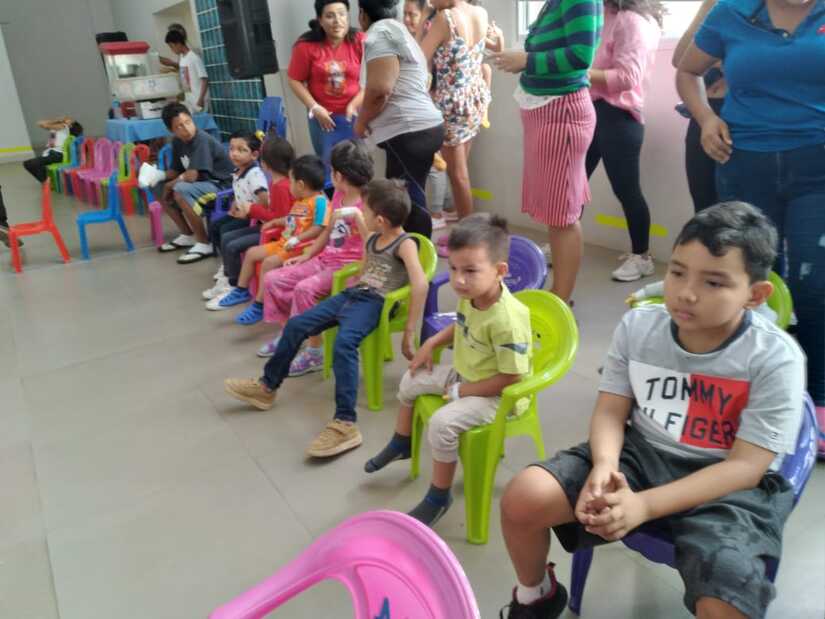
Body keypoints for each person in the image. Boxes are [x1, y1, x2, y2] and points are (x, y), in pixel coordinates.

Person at [498, 202, 805, 619]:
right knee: (523, 499)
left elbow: (746, 467)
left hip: (727, 486)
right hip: (640, 455)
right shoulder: (639, 327)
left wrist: (644, 505)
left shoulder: (775, 357)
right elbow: (611, 410)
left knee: (726, 599)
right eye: (677, 272)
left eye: (714, 282)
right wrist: (605, 465)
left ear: (755, 295)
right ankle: (536, 595)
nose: (686, 292)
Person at [676, 0, 825, 452]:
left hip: (817, 166)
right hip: (743, 163)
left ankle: (818, 396)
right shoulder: (732, 11)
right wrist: (706, 117)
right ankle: (747, 389)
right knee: (749, 284)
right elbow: (687, 70)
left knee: (815, 284)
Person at [224, 179, 429, 458]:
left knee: (344, 344)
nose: (362, 212)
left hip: (378, 302)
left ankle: (345, 423)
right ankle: (266, 387)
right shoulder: (373, 236)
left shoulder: (405, 244)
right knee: (297, 324)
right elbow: (365, 244)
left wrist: (409, 333)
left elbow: (420, 284)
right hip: (355, 293)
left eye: (365, 210)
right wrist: (355, 216)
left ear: (380, 219)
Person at [365, 213, 532, 527]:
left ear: (500, 271)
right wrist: (431, 344)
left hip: (500, 396)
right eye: (453, 268)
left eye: (470, 271)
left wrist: (462, 391)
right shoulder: (473, 296)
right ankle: (402, 442)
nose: (458, 280)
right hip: (468, 374)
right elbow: (461, 325)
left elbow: (513, 377)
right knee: (410, 379)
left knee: (441, 424)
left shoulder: (507, 321)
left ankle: (439, 497)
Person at [491, 0, 603, 305]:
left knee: (563, 215)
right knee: (557, 213)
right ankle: (559, 295)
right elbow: (546, 48)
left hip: (561, 114)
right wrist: (513, 54)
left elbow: (580, 56)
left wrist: (527, 60)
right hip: (547, 111)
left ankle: (560, 299)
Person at [257, 140, 374, 377]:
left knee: (304, 289)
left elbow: (374, 243)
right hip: (325, 259)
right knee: (273, 279)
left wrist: (358, 217)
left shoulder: (370, 203)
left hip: (350, 269)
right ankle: (291, 332)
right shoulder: (338, 195)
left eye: (332, 171)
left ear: (338, 175)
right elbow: (328, 230)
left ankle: (315, 351)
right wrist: (308, 254)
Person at [355, 0, 446, 239]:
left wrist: (362, 122)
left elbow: (380, 89)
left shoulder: (380, 33)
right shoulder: (399, 31)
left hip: (409, 131)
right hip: (421, 128)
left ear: (362, 14)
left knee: (404, 198)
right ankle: (410, 251)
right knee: (405, 193)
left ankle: (416, 255)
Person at [586, 0, 662, 282]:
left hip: (619, 116)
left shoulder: (631, 20)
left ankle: (642, 257)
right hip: (591, 110)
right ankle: (562, 242)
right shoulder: (600, 14)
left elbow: (628, 77)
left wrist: (576, 73)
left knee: (626, 190)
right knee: (573, 184)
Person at [212, 155, 328, 322]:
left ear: (301, 185)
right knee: (251, 253)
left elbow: (320, 227)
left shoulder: (320, 201)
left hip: (299, 248)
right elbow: (291, 219)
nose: (289, 185)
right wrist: (275, 221)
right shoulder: (301, 201)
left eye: (291, 181)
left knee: (268, 263)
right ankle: (241, 290)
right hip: (284, 243)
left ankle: (259, 305)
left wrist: (298, 239)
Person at [418, 0, 490, 227]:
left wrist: (423, 19)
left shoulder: (445, 19)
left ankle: (468, 235)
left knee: (458, 176)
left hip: (452, 105)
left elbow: (419, 57)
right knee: (460, 171)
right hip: (474, 99)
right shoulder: (481, 12)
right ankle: (467, 230)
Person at [204, 135, 296, 302]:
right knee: (227, 236)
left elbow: (281, 219)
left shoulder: (281, 186)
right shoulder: (276, 182)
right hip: (269, 227)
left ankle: (234, 286)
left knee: (232, 245)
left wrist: (252, 210)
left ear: (265, 163)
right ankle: (228, 275)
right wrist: (251, 210)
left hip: (278, 234)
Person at [157, 102, 234, 263]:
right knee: (157, 187)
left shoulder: (201, 139)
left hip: (223, 186)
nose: (186, 128)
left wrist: (170, 184)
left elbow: (191, 176)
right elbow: (176, 170)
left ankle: (204, 243)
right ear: (171, 130)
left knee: (180, 189)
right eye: (179, 126)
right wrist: (156, 176)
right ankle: (187, 235)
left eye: (188, 122)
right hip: (203, 185)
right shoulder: (177, 142)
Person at [287, 1, 365, 159]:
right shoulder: (305, 46)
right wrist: (314, 107)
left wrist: (354, 105)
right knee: (328, 165)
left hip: (356, 115)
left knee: (357, 164)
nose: (337, 21)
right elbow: (294, 80)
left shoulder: (360, 41)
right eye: (330, 16)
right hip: (323, 119)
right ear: (320, 20)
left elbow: (372, 80)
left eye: (342, 14)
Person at [671, 0, 726, 213]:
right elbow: (680, 59)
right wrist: (707, 6)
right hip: (704, 112)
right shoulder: (717, 8)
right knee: (703, 206)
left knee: (738, 208)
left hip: (743, 111)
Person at [205, 131, 269, 289]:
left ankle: (232, 275)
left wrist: (249, 212)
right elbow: (240, 190)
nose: (234, 153)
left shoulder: (254, 175)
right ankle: (227, 264)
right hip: (242, 212)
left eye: (241, 150)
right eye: (232, 149)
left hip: (253, 218)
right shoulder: (238, 170)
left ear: (254, 155)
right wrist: (234, 203)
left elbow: (265, 200)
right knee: (215, 227)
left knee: (225, 231)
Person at [23, 117, 83, 184]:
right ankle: (46, 181)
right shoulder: (57, 129)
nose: (65, 119)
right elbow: (39, 123)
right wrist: (58, 120)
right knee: (28, 164)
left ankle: (46, 182)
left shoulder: (64, 127)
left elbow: (42, 124)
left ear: (71, 125)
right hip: (52, 154)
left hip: (58, 155)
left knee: (33, 163)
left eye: (69, 120)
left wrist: (58, 120)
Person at [165, 29, 209, 113]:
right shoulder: (182, 58)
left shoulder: (194, 57)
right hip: (189, 100)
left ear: (178, 43)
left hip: (198, 100)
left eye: (171, 46)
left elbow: (205, 79)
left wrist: (201, 99)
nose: (171, 50)